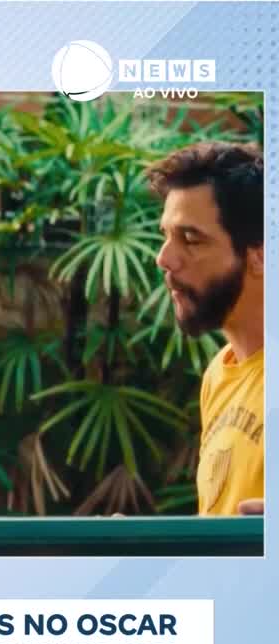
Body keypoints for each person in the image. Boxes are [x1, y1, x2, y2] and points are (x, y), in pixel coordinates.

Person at [150, 142, 263, 516]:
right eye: (166, 235)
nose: (164, 258)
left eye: (191, 239)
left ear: (259, 254)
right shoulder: (219, 375)